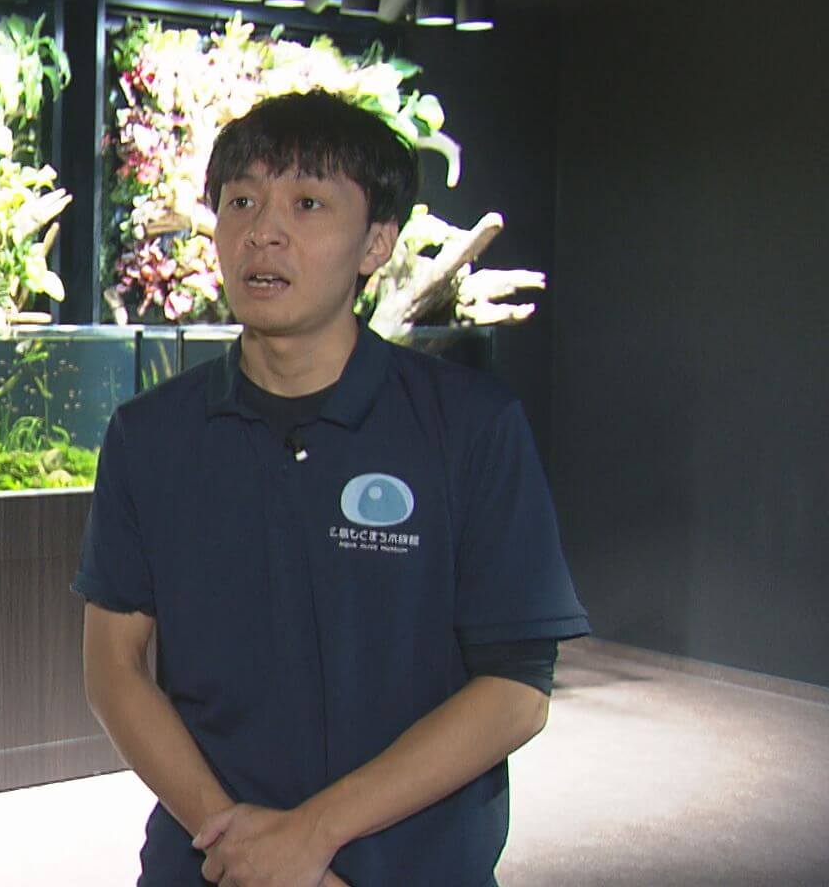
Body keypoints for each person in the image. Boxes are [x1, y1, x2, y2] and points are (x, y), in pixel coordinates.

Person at [75, 90, 589, 887]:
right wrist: (241, 847)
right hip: (210, 862)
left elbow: (516, 690)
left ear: (376, 241)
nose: (263, 231)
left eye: (307, 203)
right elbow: (115, 668)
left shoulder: (470, 426)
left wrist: (313, 837)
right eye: (241, 201)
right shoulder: (151, 436)